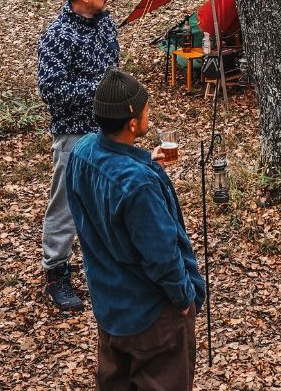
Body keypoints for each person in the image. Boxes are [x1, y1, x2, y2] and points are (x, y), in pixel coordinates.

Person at [67, 69, 205, 391]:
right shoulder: (138, 186)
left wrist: (144, 160)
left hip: (111, 308)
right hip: (152, 318)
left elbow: (104, 192)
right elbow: (161, 255)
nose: (148, 114)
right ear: (132, 122)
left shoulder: (82, 151)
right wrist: (183, 298)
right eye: (145, 109)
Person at [36, 0, 121, 313]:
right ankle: (56, 272)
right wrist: (99, 90)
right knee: (67, 203)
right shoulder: (57, 36)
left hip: (110, 128)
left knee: (109, 199)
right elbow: (52, 90)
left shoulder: (106, 24)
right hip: (73, 133)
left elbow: (114, 66)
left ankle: (105, 266)